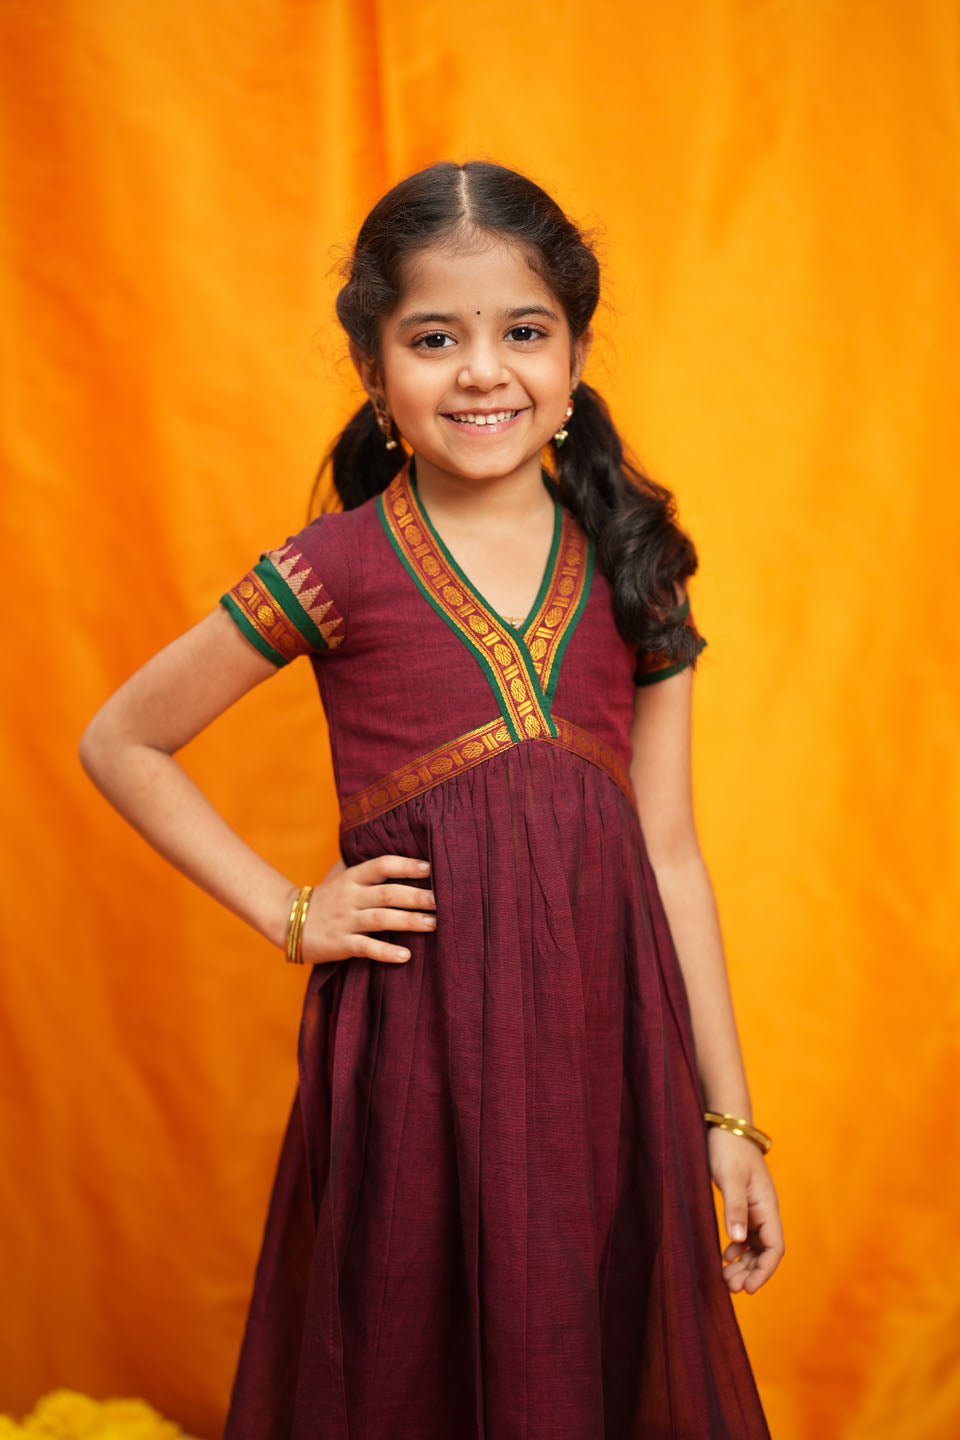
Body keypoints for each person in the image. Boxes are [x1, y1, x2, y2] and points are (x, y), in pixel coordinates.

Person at [80, 159, 784, 1440]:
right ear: (373, 367)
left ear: (576, 356)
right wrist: (293, 912)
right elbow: (122, 739)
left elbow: (671, 854)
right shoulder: (335, 568)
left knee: (589, 1358)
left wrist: (726, 1117)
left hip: (609, 1057)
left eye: (523, 332)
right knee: (409, 1364)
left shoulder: (634, 569)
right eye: (434, 339)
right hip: (421, 1056)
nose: (482, 373)